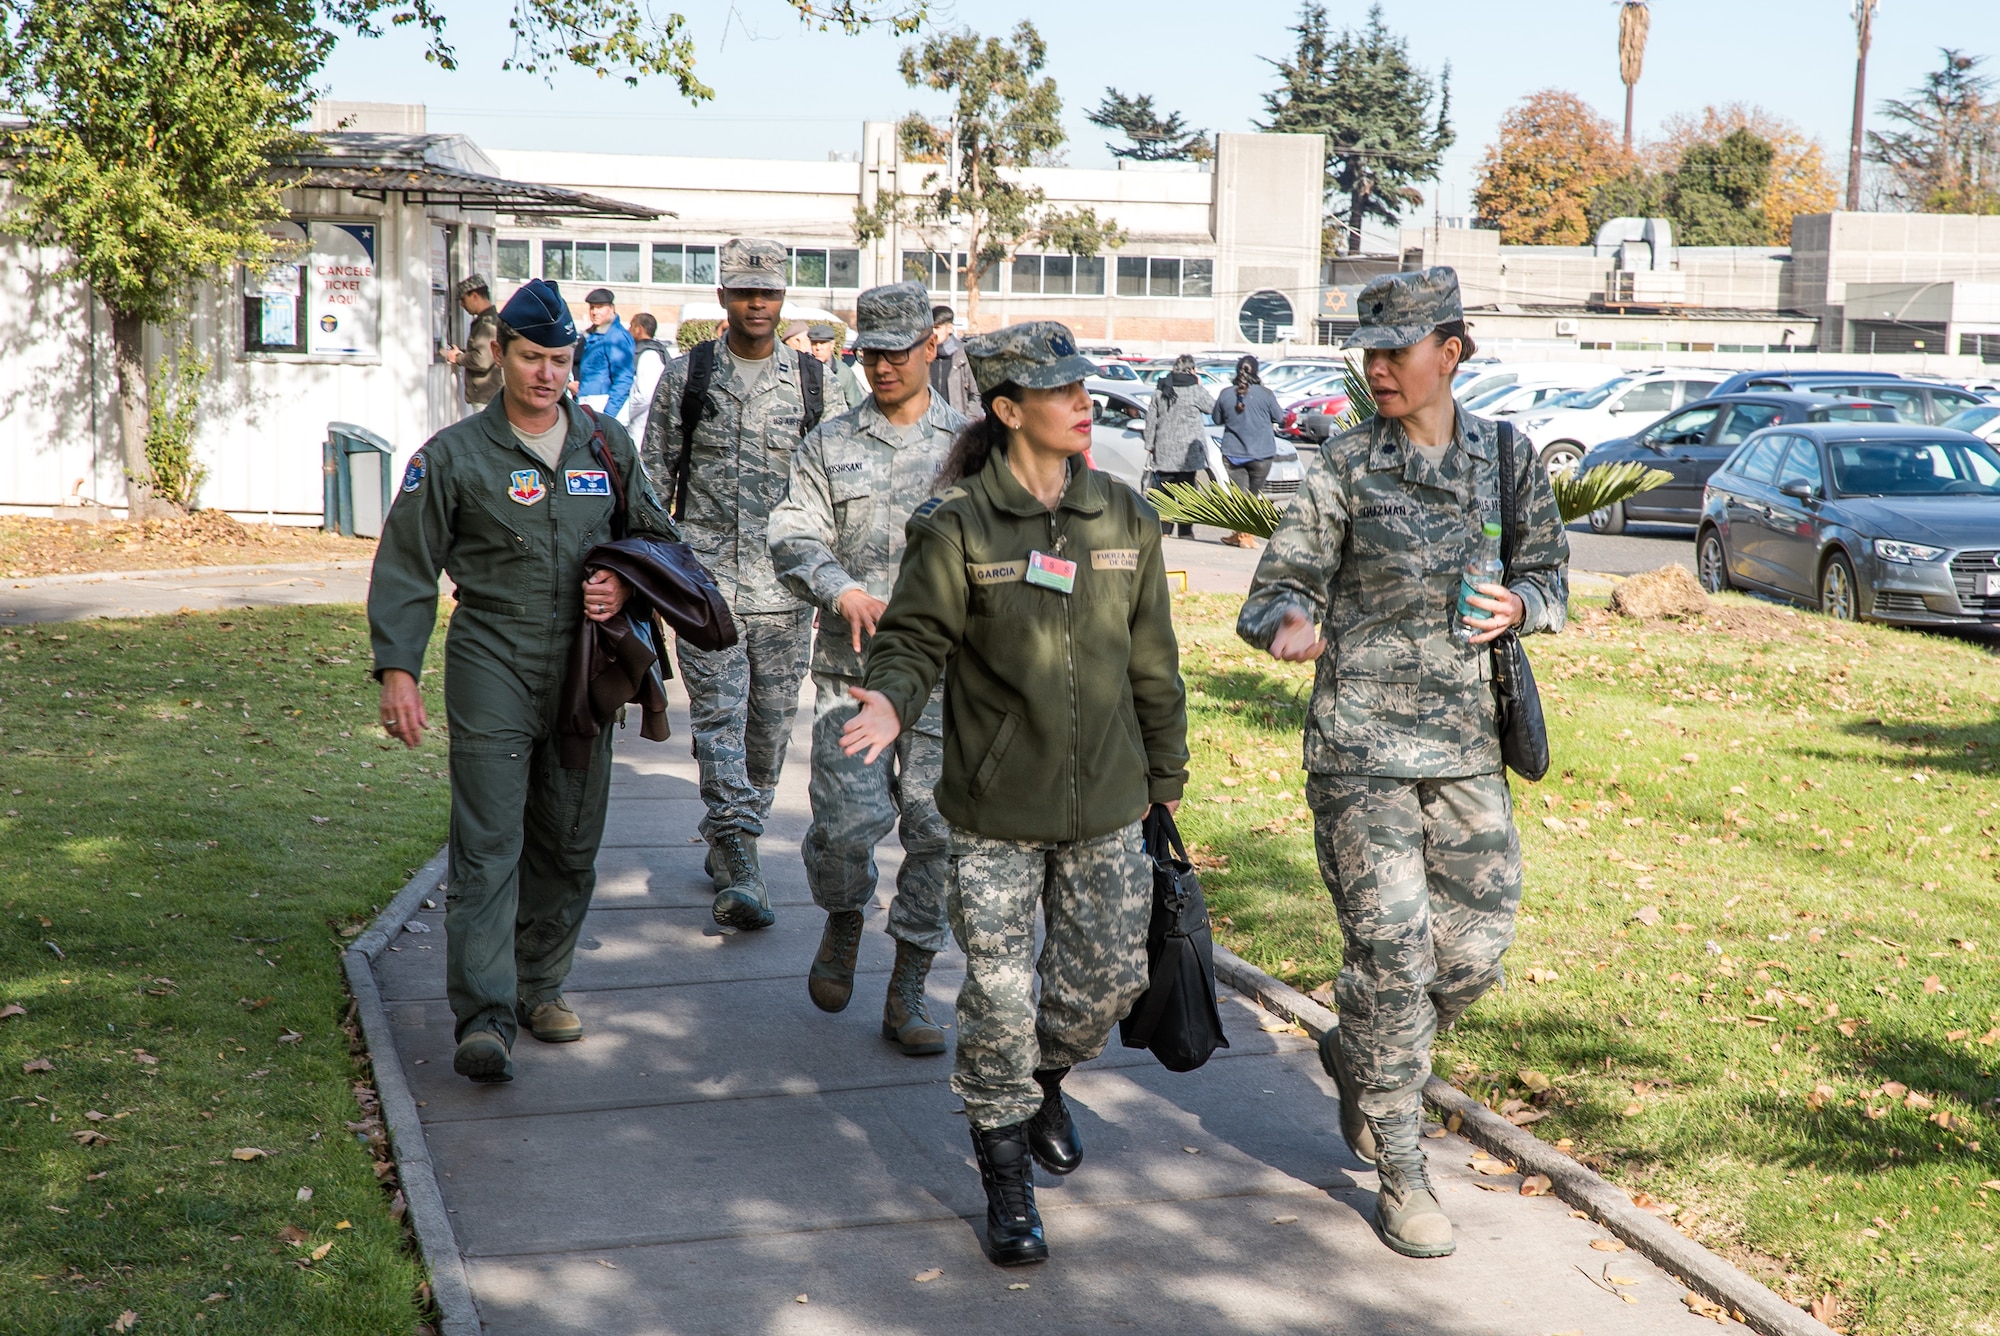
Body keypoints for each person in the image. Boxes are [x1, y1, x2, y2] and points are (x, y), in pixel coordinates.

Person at [1235, 268, 1568, 1259]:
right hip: (1359, 754)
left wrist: (1521, 605)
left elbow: (1548, 573)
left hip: (1466, 754)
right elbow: (1271, 588)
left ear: (1448, 352)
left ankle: (1355, 1045)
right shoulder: (1342, 466)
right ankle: (1400, 1165)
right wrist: (1286, 621)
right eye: (1368, 350)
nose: (1377, 367)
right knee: (1390, 954)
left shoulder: (1505, 458)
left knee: (1467, 955)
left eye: (1396, 349)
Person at [840, 321, 1189, 1268]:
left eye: (1083, 387)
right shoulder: (955, 525)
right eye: (1059, 390)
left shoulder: (1126, 517)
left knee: (1106, 984)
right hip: (994, 813)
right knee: (998, 995)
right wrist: (889, 698)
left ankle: (1043, 1077)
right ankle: (1006, 1183)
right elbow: (913, 640)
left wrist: (1166, 780)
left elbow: (1154, 661)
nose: (1084, 402)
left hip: (1111, 804)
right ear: (1006, 410)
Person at [369, 277, 681, 1084]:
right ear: (501, 355)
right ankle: (483, 1015)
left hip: (584, 668)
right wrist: (399, 671)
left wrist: (622, 582)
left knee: (569, 838)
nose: (546, 373)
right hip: (492, 659)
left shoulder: (608, 446)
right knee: (488, 844)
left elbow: (659, 544)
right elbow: (406, 568)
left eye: (559, 359)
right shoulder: (452, 457)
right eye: (531, 356)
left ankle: (542, 986)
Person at [766, 281, 968, 1054]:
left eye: (898, 351)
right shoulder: (828, 442)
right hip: (850, 674)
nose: (882, 366)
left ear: (930, 348)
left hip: (948, 683)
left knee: (937, 835)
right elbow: (792, 528)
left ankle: (910, 988)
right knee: (848, 829)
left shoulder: (970, 447)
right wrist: (837, 586)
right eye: (871, 352)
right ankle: (845, 916)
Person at [640, 237, 826, 930]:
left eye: (769, 293)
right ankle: (744, 862)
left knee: (768, 733)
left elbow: (834, 489)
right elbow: (653, 486)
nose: (757, 303)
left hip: (786, 594)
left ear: (783, 300)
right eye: (745, 291)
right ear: (723, 297)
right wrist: (654, 578)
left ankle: (729, 835)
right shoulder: (687, 378)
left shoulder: (813, 383)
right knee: (718, 722)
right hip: (705, 589)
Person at [1211, 354, 1283, 549]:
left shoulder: (1226, 393)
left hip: (1234, 453)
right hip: (1262, 454)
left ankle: (1241, 534)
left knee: (1240, 497)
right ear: (1256, 371)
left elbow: (1216, 419)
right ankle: (1243, 536)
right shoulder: (1266, 394)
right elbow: (1280, 417)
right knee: (1252, 497)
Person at [1141, 353, 1215, 538]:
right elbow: (1213, 408)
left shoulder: (1161, 388)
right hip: (1188, 453)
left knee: (1164, 491)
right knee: (1187, 491)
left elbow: (1151, 419)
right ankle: (1185, 532)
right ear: (1191, 370)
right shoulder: (1194, 390)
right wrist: (1199, 385)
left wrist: (1149, 444)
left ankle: (1164, 531)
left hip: (1164, 450)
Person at [441, 274, 502, 408]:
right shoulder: (489, 319)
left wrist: (457, 357)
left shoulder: (487, 323)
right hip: (489, 397)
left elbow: (482, 360)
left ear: (474, 296)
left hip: (486, 398)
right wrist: (462, 352)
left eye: (463, 299)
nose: (462, 305)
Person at [576, 286, 636, 417]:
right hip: (589, 407)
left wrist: (608, 416)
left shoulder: (616, 336)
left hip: (604, 409)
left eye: (600, 307)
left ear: (611, 308)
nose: (595, 312)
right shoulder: (592, 335)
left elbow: (623, 380)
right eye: (592, 307)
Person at [621, 312, 671, 442]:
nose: (628, 330)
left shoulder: (649, 355)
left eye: (631, 326)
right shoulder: (652, 352)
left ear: (639, 329)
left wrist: (624, 414)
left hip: (641, 430)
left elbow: (645, 395)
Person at [807, 321, 868, 415]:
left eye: (823, 343)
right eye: (814, 343)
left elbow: (855, 406)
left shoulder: (844, 372)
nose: (818, 348)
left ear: (832, 345)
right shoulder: (804, 370)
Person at [928, 304, 978, 418]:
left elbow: (975, 394)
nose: (933, 332)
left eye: (937, 328)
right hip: (929, 425)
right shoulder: (924, 355)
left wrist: (967, 425)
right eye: (930, 328)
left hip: (958, 427)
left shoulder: (965, 355)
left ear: (950, 328)